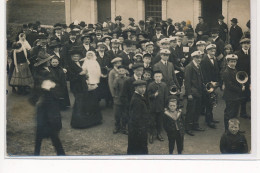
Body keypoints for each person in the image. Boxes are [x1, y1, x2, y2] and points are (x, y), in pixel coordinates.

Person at [68, 48, 102, 129]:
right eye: (74, 56)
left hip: (83, 85)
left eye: (77, 56)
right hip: (77, 87)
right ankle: (78, 123)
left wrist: (85, 75)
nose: (76, 57)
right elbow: (70, 78)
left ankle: (91, 121)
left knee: (86, 102)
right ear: (71, 57)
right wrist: (80, 75)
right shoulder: (70, 65)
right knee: (79, 104)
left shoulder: (80, 63)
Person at [184, 51, 204, 136]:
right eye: (197, 57)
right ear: (193, 58)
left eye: (200, 57)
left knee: (197, 109)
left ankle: (195, 125)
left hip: (198, 92)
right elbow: (187, 81)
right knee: (190, 111)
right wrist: (189, 94)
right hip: (192, 92)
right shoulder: (189, 67)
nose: (199, 59)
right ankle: (188, 128)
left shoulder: (198, 66)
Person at [222, 54, 244, 131]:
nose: (233, 63)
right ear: (228, 62)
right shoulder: (226, 72)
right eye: (231, 61)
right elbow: (229, 85)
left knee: (235, 114)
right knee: (229, 114)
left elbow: (237, 80)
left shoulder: (235, 70)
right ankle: (227, 130)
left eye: (234, 61)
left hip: (235, 96)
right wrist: (240, 89)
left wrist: (242, 84)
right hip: (230, 96)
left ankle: (235, 128)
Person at [200, 44, 220, 129]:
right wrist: (210, 83)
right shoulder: (204, 60)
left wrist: (216, 82)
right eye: (211, 51)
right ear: (207, 51)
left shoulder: (214, 59)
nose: (213, 52)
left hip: (213, 84)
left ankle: (210, 118)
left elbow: (216, 71)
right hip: (207, 85)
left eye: (214, 51)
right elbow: (203, 74)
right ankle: (209, 121)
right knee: (208, 103)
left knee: (211, 102)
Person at [120, 63, 144, 134]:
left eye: (141, 70)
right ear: (134, 71)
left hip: (140, 102)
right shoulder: (128, 81)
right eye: (138, 70)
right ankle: (125, 128)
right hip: (130, 103)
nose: (140, 72)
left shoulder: (143, 80)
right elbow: (123, 95)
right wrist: (128, 104)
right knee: (128, 116)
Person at [127, 80, 149, 155]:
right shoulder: (137, 100)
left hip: (138, 128)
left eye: (144, 87)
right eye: (141, 87)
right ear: (136, 88)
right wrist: (141, 130)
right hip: (138, 130)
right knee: (139, 148)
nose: (143, 89)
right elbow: (136, 118)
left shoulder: (139, 96)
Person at [147, 70, 168, 143]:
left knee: (160, 121)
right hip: (153, 107)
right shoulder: (151, 85)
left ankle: (159, 134)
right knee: (152, 121)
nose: (158, 78)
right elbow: (148, 96)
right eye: (156, 76)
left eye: (159, 76)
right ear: (153, 77)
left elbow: (166, 97)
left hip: (161, 107)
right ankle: (151, 134)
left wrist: (165, 106)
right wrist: (154, 95)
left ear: (161, 77)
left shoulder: (164, 85)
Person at [235, 38, 251, 119]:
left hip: (250, 78)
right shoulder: (237, 54)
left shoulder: (252, 53)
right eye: (244, 43)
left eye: (248, 43)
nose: (246, 45)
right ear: (241, 44)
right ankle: (238, 113)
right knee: (241, 96)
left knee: (247, 95)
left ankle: (243, 112)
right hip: (240, 78)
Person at [112, 65, 129, 134]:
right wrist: (116, 78)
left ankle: (124, 127)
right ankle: (117, 126)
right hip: (118, 99)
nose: (121, 72)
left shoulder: (128, 79)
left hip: (126, 99)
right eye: (120, 71)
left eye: (123, 70)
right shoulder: (117, 79)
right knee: (117, 114)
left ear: (125, 71)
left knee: (125, 114)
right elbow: (114, 87)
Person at [95, 42, 112, 106]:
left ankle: (107, 101)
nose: (101, 49)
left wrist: (108, 70)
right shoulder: (95, 55)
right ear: (98, 48)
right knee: (98, 88)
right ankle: (97, 102)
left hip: (106, 74)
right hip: (98, 74)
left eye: (103, 48)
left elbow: (111, 65)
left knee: (107, 88)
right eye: (100, 48)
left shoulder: (108, 55)